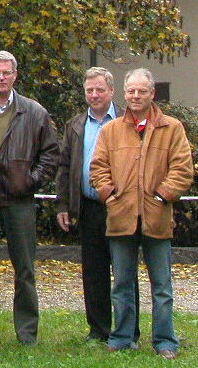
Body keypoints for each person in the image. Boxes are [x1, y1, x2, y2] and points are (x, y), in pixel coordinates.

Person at [90, 68, 194, 359]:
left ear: (152, 94)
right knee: (121, 283)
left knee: (161, 286)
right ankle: (122, 336)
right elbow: (97, 168)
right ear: (125, 94)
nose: (136, 96)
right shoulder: (110, 130)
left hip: (157, 217)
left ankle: (164, 340)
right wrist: (110, 197)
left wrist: (162, 196)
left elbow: (183, 170)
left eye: (142, 91)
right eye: (131, 91)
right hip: (121, 217)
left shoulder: (172, 128)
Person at [0, 50, 59, 345]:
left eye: (6, 72)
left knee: (25, 269)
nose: (1, 78)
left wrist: (31, 180)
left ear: (15, 75)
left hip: (19, 199)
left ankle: (27, 332)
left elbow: (50, 153)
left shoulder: (34, 112)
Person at [57, 67, 136, 344]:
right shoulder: (76, 125)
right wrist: (63, 205)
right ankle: (99, 330)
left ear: (111, 92)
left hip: (121, 207)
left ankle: (129, 330)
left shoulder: (128, 121)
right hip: (89, 207)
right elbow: (64, 167)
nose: (94, 95)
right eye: (89, 90)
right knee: (94, 272)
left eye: (99, 90)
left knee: (124, 271)